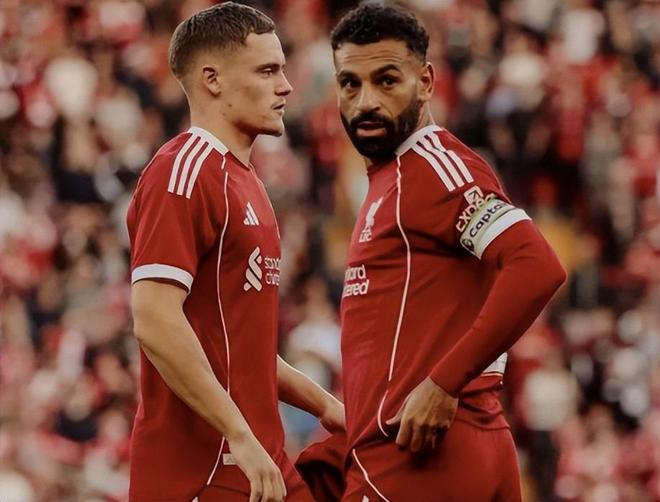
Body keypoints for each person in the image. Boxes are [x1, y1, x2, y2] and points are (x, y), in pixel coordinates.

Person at [330, 5, 566, 501]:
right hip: (430, 447)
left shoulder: (433, 167)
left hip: (418, 455)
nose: (366, 101)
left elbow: (536, 265)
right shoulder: (392, 178)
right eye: (350, 84)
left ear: (426, 82)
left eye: (386, 80)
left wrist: (443, 383)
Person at [127, 3, 343, 501]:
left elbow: (242, 350)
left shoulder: (245, 182)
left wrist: (328, 407)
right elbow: (154, 318)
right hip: (203, 471)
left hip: (258, 460)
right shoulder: (181, 172)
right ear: (212, 79)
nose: (285, 87)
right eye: (267, 71)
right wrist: (239, 435)